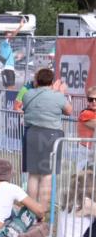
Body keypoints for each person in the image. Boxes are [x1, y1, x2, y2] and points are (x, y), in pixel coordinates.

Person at [22, 68, 72, 208]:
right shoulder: (57, 96)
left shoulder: (28, 94)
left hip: (31, 133)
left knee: (33, 174)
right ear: (51, 81)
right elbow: (69, 111)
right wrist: (61, 93)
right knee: (47, 175)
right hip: (51, 136)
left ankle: (30, 209)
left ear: (37, 80)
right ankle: (42, 211)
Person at [0, 16, 27, 91]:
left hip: (9, 68)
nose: (11, 35)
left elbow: (7, 55)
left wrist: (17, 57)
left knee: (11, 87)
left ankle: (8, 101)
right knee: (10, 88)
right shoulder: (5, 42)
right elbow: (12, 36)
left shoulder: (6, 45)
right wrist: (20, 27)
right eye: (9, 34)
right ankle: (9, 101)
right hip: (7, 69)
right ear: (5, 36)